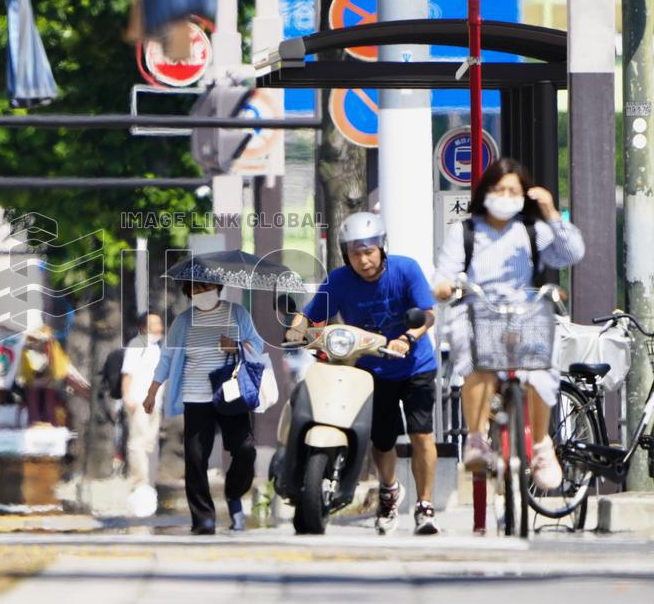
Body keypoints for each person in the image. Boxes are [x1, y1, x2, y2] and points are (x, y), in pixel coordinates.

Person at [432, 158, 585, 490]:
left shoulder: (532, 230)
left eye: (513, 190)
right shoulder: (465, 231)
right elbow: (443, 276)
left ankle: (542, 446)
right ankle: (475, 439)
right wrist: (445, 287)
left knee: (541, 370)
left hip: (523, 313)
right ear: (486, 192)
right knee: (478, 364)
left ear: (524, 195)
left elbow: (572, 252)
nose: (505, 195)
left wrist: (552, 213)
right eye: (499, 188)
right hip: (478, 311)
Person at [285, 212, 440, 535]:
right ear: (346, 255)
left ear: (382, 248)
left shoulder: (406, 269)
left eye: (369, 251)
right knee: (382, 439)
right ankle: (388, 490)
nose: (363, 260)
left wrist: (407, 338)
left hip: (415, 365)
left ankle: (424, 505)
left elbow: (427, 314)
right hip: (370, 369)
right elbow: (311, 314)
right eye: (355, 253)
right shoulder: (339, 280)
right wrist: (296, 330)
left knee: (420, 434)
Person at [143, 281, 264, 534]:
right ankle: (203, 518)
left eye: (205, 287)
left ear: (217, 288)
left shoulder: (237, 313)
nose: (201, 293)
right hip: (196, 396)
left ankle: (234, 494)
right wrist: (152, 392)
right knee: (196, 459)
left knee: (245, 449)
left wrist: (237, 346)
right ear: (189, 294)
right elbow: (166, 358)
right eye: (195, 290)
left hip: (231, 394)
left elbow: (257, 345)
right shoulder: (183, 321)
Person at [121, 312, 165, 488]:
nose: (158, 327)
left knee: (149, 442)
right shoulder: (137, 345)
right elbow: (127, 373)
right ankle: (139, 481)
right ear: (144, 327)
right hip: (139, 401)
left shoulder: (156, 348)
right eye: (154, 324)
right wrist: (128, 397)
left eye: (159, 323)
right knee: (137, 442)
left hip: (155, 403)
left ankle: (147, 479)